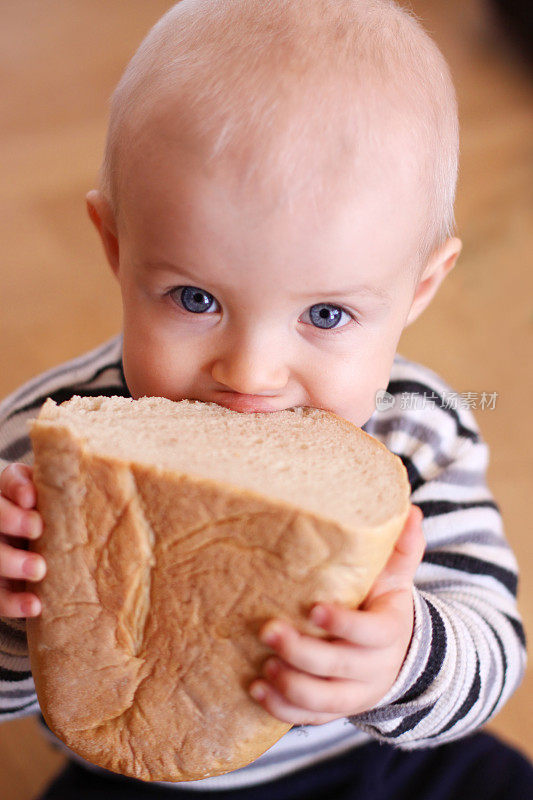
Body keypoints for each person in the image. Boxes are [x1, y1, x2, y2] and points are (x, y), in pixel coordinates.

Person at [0, 1, 532, 797]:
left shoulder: (418, 431)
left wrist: (400, 659)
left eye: (325, 315)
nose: (250, 373)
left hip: (364, 760)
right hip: (138, 774)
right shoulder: (44, 449)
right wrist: (13, 617)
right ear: (117, 247)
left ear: (417, 289)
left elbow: (491, 642)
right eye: (193, 298)